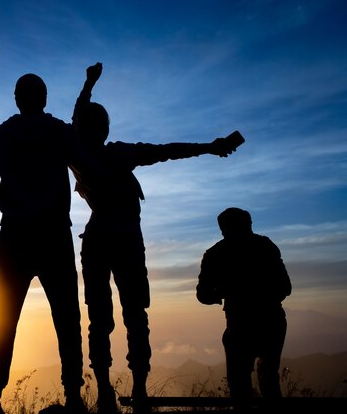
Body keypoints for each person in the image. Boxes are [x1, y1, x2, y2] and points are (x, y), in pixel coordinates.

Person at [70, 63, 244, 414]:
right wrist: (210, 147)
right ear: (102, 128)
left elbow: (164, 149)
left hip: (101, 241)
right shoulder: (113, 153)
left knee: (104, 316)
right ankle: (133, 391)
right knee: (130, 315)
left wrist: (88, 86)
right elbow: (166, 150)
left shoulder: (81, 156)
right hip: (122, 242)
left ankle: (112, 390)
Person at [0, 72, 99, 414]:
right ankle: (73, 395)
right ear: (44, 98)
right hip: (54, 234)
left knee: (2, 318)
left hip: (14, 235)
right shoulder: (61, 132)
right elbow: (88, 167)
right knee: (66, 318)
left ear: (17, 98)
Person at [196, 207, 292, 406]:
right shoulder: (265, 246)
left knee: (240, 385)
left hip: (239, 325)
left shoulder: (215, 254)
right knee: (268, 378)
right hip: (271, 321)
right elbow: (285, 287)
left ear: (223, 229)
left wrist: (225, 293)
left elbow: (203, 295)